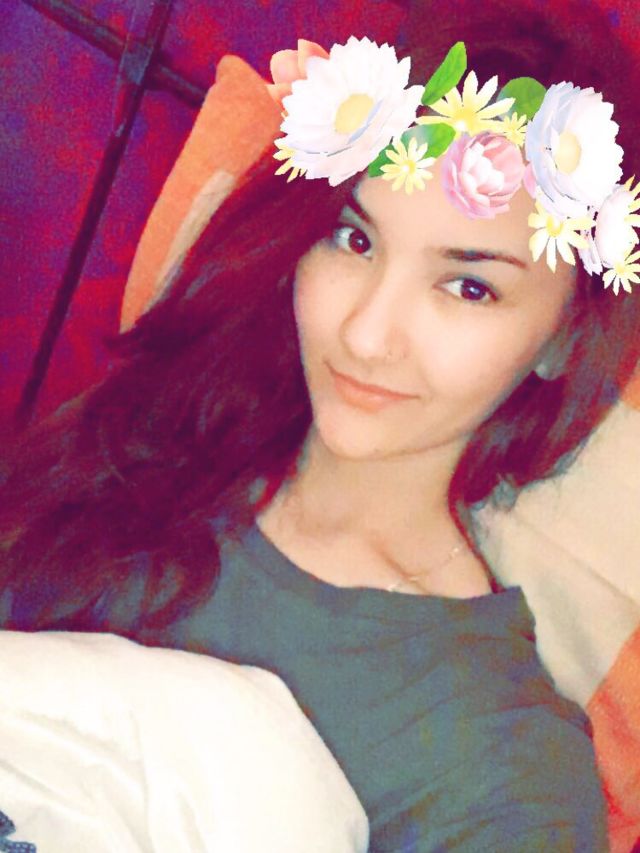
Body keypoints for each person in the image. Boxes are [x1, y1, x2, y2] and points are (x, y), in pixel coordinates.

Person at [1, 0, 639, 848]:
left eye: (469, 286)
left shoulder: (498, 771)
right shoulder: (157, 432)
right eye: (354, 239)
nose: (367, 335)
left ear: (564, 335)